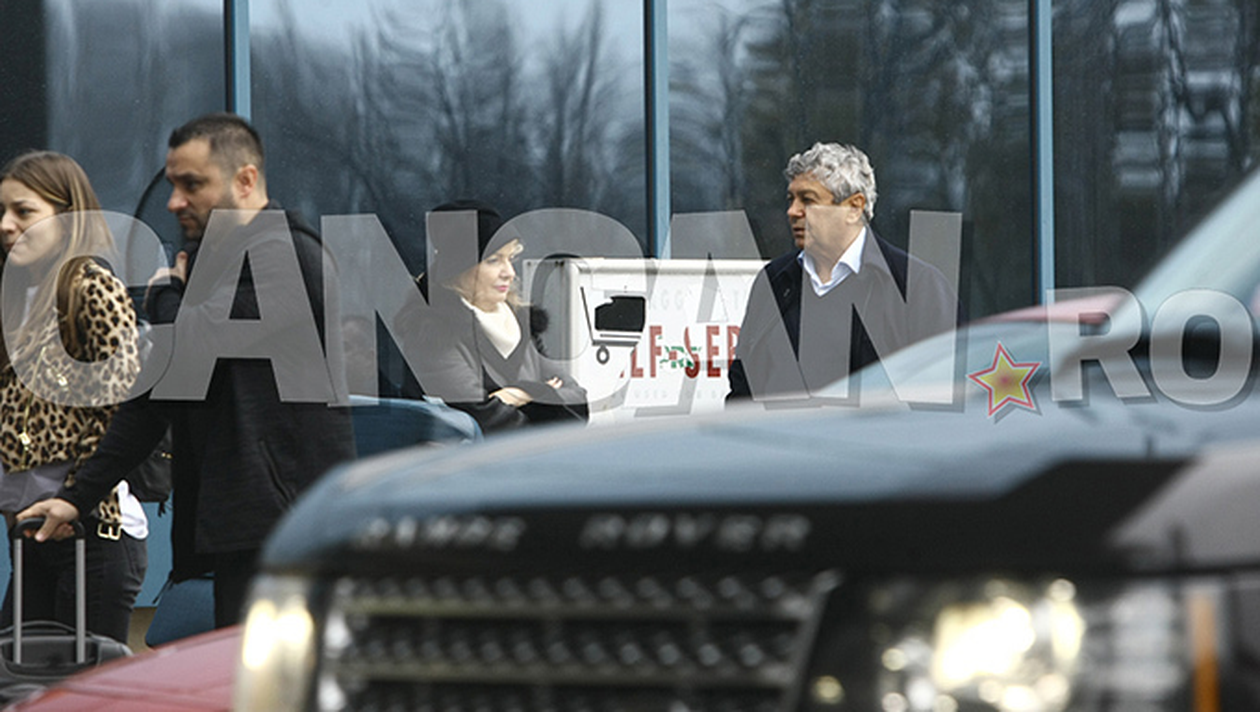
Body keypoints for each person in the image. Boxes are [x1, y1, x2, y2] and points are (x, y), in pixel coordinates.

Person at [18, 114, 356, 627]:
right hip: (241, 530)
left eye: (192, 184)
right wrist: (75, 498)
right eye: (173, 184)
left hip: (289, 532)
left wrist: (164, 293)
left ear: (245, 180)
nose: (175, 201)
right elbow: (155, 399)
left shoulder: (284, 252)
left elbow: (199, 338)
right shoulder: (210, 263)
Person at [0, 150, 146, 643]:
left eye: (24, 211)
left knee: (84, 681)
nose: (6, 225)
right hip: (33, 533)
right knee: (20, 677)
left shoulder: (90, 288)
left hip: (90, 533)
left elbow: (117, 408)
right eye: (2, 211)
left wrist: (74, 498)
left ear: (66, 217)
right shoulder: (17, 296)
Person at [727, 142, 962, 402]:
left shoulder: (917, 287)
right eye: (791, 199)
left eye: (808, 200)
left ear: (854, 208)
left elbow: (944, 393)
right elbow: (742, 387)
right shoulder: (773, 281)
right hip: (774, 430)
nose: (792, 211)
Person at [400, 200, 587, 433]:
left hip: (534, 454)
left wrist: (522, 393)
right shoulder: (433, 332)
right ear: (458, 268)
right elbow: (481, 420)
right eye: (493, 260)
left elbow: (578, 400)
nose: (509, 273)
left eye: (511, 259)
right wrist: (545, 400)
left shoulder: (520, 323)